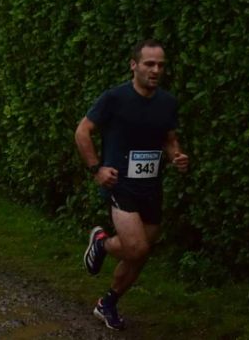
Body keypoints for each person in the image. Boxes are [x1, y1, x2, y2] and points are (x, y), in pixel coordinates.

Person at [74, 40, 189, 331]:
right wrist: (97, 169)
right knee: (136, 249)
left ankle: (107, 302)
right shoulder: (115, 98)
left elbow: (169, 139)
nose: (156, 70)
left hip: (151, 187)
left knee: (140, 254)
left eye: (161, 65)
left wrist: (176, 156)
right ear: (134, 65)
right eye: (149, 64)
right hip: (120, 184)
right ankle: (102, 244)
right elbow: (82, 131)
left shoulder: (167, 102)